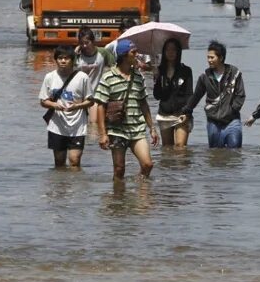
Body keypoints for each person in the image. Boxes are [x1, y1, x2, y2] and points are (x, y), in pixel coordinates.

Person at [93, 39, 158, 180]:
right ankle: (118, 197)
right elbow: (100, 106)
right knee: (119, 169)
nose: (137, 55)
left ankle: (140, 189)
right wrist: (103, 134)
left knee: (147, 164)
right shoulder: (108, 77)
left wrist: (152, 128)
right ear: (123, 55)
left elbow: (143, 103)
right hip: (117, 130)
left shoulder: (138, 77)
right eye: (133, 53)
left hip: (137, 129)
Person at [181, 41, 246, 149]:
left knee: (235, 151)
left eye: (212, 57)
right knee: (215, 154)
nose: (209, 60)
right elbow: (196, 96)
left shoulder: (235, 73)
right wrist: (186, 111)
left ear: (221, 58)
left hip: (232, 120)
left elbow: (240, 95)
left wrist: (232, 109)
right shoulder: (205, 77)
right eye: (208, 57)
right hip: (213, 121)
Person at [39, 45, 95, 169]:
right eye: (60, 58)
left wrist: (77, 106)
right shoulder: (49, 77)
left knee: (74, 161)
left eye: (66, 58)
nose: (63, 61)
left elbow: (90, 101)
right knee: (59, 163)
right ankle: (60, 187)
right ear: (56, 60)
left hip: (77, 126)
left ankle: (75, 187)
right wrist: (54, 105)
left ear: (72, 60)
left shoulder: (82, 77)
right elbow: (43, 101)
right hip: (57, 126)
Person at [152, 38, 194, 147]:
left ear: (178, 52)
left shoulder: (186, 71)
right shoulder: (160, 71)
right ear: (164, 52)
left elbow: (190, 94)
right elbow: (157, 96)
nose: (170, 53)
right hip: (164, 114)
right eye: (167, 50)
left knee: (180, 147)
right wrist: (157, 80)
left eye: (173, 50)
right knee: (167, 149)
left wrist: (187, 113)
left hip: (181, 114)